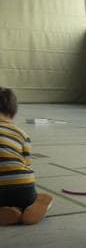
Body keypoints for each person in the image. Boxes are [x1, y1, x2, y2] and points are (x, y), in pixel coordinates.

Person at [0, 87, 53, 225]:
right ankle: (29, 206)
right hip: (23, 190)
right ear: (13, 113)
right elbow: (27, 164)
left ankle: (7, 211)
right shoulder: (22, 134)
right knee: (35, 196)